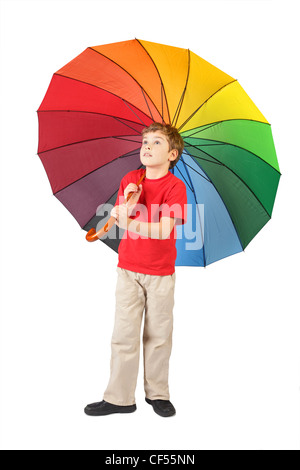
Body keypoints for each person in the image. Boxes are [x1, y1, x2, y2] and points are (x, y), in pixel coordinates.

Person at [84, 122, 187, 417]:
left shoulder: (174, 187)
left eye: (156, 143)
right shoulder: (131, 178)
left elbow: (165, 229)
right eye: (144, 141)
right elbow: (119, 218)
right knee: (124, 333)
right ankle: (119, 397)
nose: (147, 147)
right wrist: (128, 200)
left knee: (158, 335)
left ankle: (157, 393)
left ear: (172, 154)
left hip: (160, 273)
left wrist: (130, 221)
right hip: (128, 268)